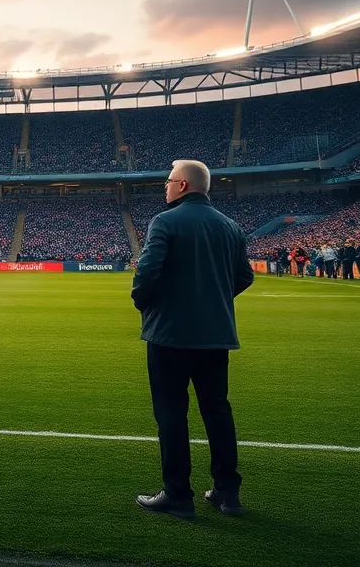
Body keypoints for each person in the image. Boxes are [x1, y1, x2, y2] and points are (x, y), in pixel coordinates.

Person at [131, 160, 253, 519]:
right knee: (217, 410)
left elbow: (148, 272)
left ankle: (177, 495)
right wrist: (212, 301)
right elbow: (244, 276)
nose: (165, 187)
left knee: (171, 412)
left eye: (169, 182)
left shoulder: (165, 221)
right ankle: (228, 494)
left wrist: (144, 303)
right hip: (215, 335)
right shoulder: (231, 226)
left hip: (169, 334)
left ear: (183, 186)